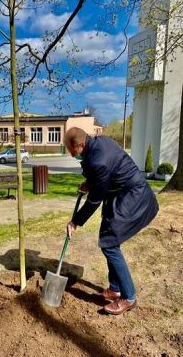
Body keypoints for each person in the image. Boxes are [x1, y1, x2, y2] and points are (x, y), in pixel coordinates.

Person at [65, 127, 159, 315]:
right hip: (122, 195)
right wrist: (91, 183)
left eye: (72, 151)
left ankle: (128, 296)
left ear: (81, 144)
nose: (72, 154)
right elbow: (106, 174)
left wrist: (75, 221)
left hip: (133, 198)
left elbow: (94, 200)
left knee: (110, 244)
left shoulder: (98, 161)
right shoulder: (100, 143)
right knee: (109, 240)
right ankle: (114, 288)